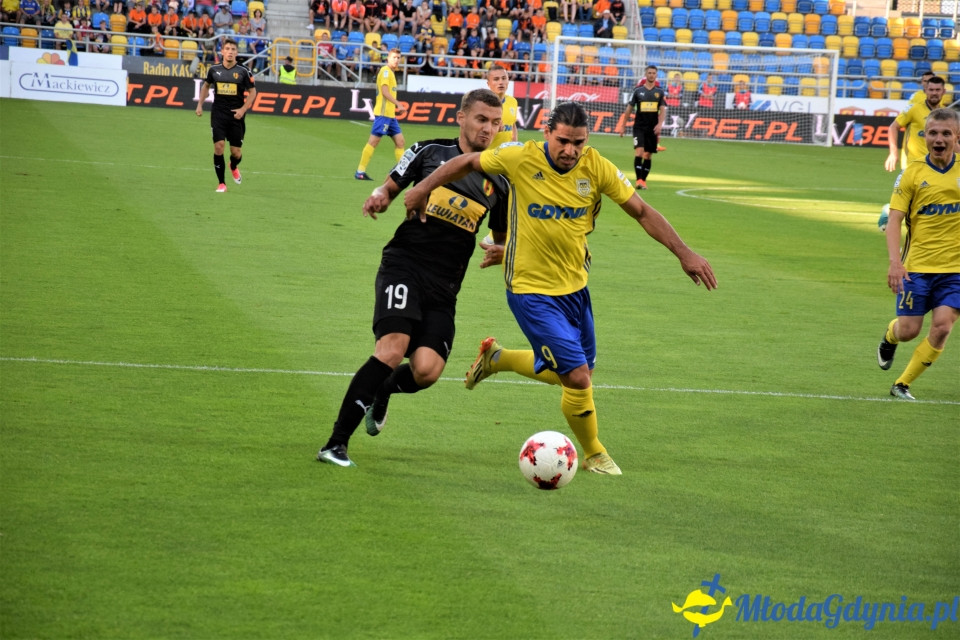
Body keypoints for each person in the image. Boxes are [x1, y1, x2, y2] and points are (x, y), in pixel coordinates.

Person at [402, 101, 717, 475]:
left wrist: (684, 253)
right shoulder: (520, 157)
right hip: (529, 290)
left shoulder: (596, 167)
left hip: (575, 287)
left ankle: (497, 358)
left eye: (578, 142)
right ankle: (595, 453)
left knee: (570, 373)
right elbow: (466, 162)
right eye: (563, 141)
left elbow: (643, 212)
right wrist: (422, 188)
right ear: (547, 133)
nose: (570, 150)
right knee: (578, 377)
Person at [317, 89, 511, 468]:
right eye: (481, 120)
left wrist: (500, 249)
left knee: (426, 371)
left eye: (495, 123)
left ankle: (384, 388)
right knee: (391, 348)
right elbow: (389, 189)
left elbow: (498, 237)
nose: (488, 129)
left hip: (446, 286)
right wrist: (378, 197)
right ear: (461, 117)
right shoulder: (427, 151)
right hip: (405, 264)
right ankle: (335, 444)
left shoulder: (500, 181)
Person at [876, 108, 960, 401]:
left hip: (956, 272)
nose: (938, 139)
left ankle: (902, 384)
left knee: (941, 328)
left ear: (956, 137)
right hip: (917, 268)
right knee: (909, 330)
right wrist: (895, 263)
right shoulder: (912, 172)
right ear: (925, 136)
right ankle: (890, 336)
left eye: (946, 133)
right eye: (933, 133)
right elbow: (895, 220)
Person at [195, 38, 257, 193]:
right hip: (218, 115)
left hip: (236, 116)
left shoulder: (243, 71)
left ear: (236, 52)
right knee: (219, 146)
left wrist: (243, 109)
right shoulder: (214, 70)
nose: (230, 52)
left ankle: (233, 166)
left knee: (236, 153)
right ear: (222, 51)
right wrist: (200, 104)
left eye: (233, 49)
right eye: (227, 49)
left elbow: (253, 92)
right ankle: (221, 183)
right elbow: (206, 85)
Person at [355, 48, 406, 181]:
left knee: (400, 142)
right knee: (373, 142)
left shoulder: (391, 73)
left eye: (398, 58)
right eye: (394, 57)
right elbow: (384, 92)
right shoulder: (385, 71)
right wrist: (398, 104)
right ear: (388, 59)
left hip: (391, 116)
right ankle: (360, 171)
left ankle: (402, 173)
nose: (396, 60)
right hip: (383, 114)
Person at [617, 64, 665, 190]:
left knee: (648, 155)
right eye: (649, 73)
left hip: (652, 128)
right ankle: (638, 180)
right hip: (639, 127)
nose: (651, 75)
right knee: (639, 152)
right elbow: (628, 110)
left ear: (656, 75)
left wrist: (660, 124)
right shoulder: (638, 91)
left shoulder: (659, 92)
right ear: (645, 74)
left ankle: (643, 181)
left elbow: (663, 110)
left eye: (653, 73)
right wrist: (623, 126)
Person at [885, 75, 946, 173]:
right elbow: (893, 127)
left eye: (938, 90)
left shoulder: (946, 114)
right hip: (912, 166)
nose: (934, 93)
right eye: (931, 90)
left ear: (944, 91)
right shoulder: (913, 109)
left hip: (936, 167)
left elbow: (952, 142)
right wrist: (893, 153)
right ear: (925, 91)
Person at [486, 64, 518, 148]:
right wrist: (493, 129)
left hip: (506, 155)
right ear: (488, 83)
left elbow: (513, 124)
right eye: (496, 79)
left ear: (508, 80)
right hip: (487, 155)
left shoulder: (513, 101)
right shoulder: (483, 104)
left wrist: (515, 144)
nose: (501, 82)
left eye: (504, 78)